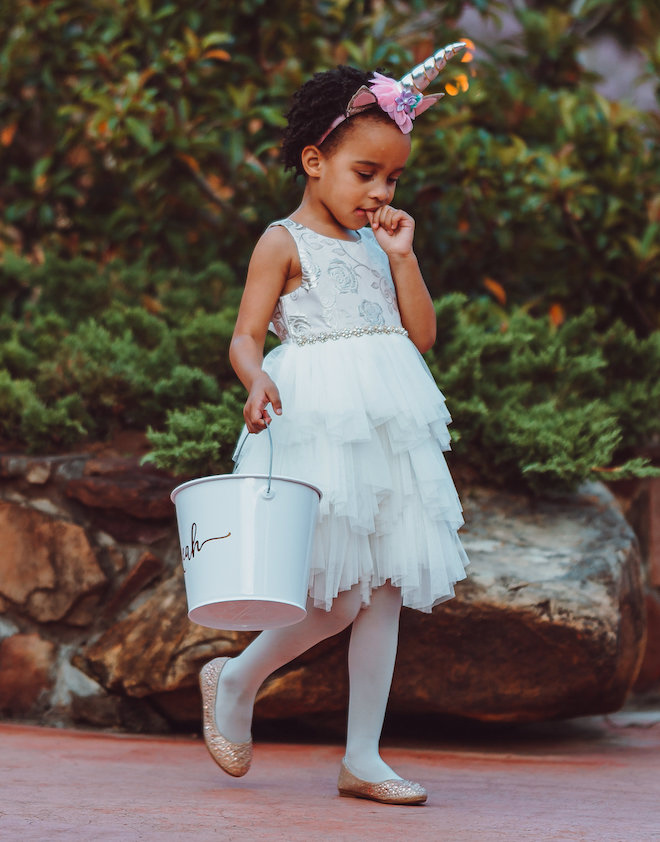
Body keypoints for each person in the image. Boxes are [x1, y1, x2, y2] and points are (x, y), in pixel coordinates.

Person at [199, 44, 470, 806]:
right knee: (336, 598)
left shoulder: (379, 244)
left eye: (393, 178)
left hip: (385, 418)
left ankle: (363, 757)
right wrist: (254, 381)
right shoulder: (281, 243)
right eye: (366, 174)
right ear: (315, 160)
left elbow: (422, 335)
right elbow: (246, 336)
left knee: (383, 588)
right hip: (318, 419)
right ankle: (238, 677)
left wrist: (405, 258)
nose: (380, 190)